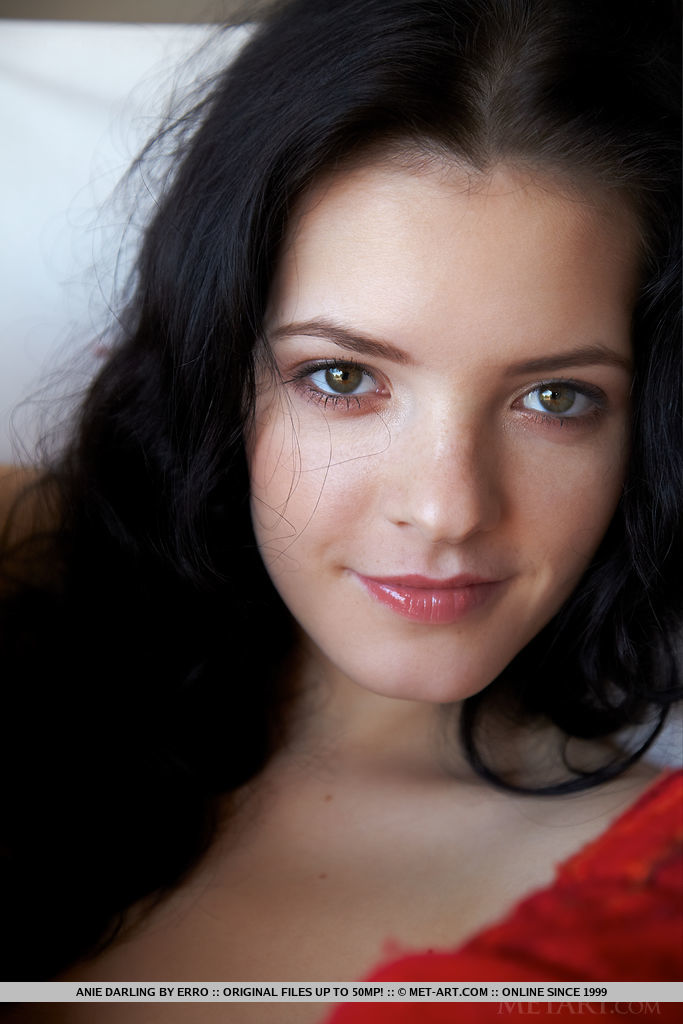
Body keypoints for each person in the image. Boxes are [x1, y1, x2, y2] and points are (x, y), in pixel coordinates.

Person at [0, 0, 680, 1020]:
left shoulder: (647, 909)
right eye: (342, 377)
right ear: (218, 373)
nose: (446, 508)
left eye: (554, 398)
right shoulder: (37, 636)